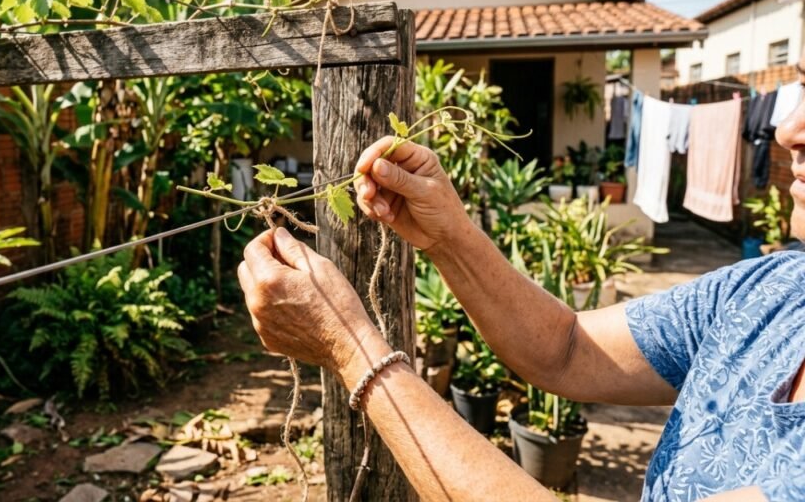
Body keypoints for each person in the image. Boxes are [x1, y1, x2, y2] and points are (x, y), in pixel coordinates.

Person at [237, 55, 805, 501]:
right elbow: (568, 348)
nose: (788, 129)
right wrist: (449, 237)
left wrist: (351, 348)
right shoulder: (771, 290)